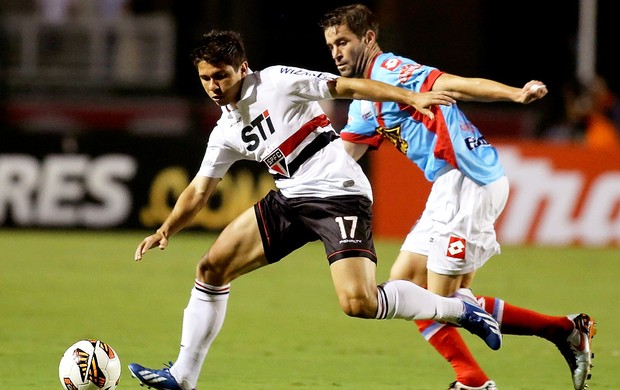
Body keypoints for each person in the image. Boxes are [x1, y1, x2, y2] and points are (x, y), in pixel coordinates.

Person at [127, 29, 503, 390]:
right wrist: (166, 229)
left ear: (243, 68)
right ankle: (183, 377)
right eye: (205, 79)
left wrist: (409, 97)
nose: (213, 86)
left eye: (220, 76)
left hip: (338, 194)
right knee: (211, 268)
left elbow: (345, 87)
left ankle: (460, 311)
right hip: (290, 197)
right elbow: (199, 189)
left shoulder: (274, 82)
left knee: (359, 302)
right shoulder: (225, 128)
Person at [319, 4, 596, 390]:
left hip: (470, 182)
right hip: (447, 189)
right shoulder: (365, 102)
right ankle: (497, 364)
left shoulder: (391, 71)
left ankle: (538, 345)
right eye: (331, 44)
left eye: (343, 42)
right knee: (408, 292)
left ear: (368, 39)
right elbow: (339, 161)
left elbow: (452, 83)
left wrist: (515, 95)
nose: (336, 52)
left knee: (439, 301)